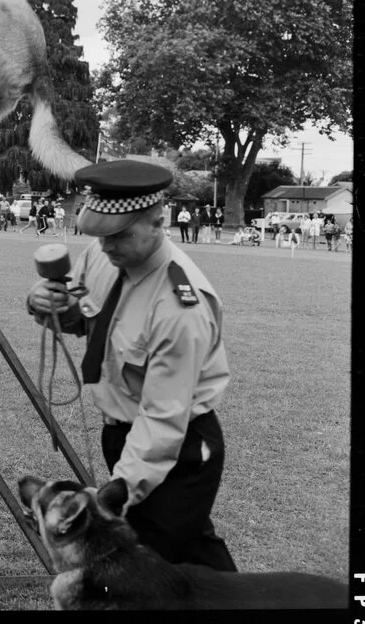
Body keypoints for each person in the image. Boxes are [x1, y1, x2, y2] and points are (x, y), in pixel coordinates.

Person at [25, 160, 236, 573]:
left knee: (150, 565)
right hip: (121, 434)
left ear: (160, 221)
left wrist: (110, 498)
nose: (105, 247)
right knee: (187, 549)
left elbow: (162, 419)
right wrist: (44, 303)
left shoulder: (179, 307)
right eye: (99, 235)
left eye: (119, 235)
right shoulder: (105, 252)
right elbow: (83, 315)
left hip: (178, 451)